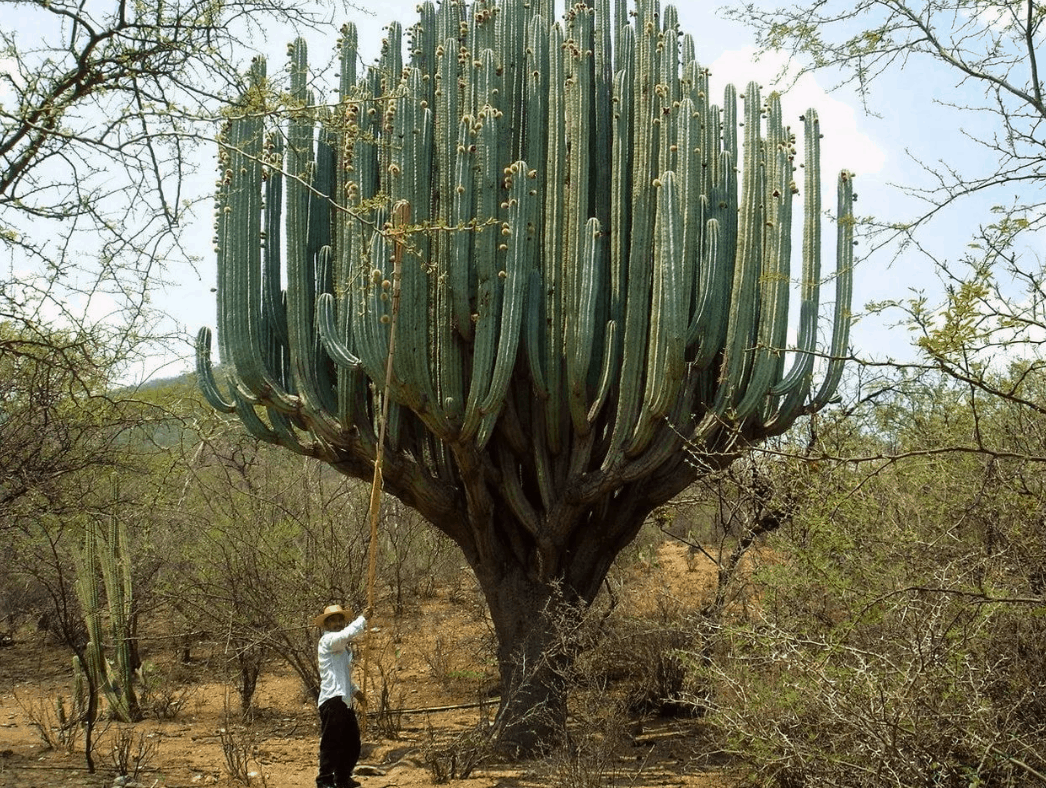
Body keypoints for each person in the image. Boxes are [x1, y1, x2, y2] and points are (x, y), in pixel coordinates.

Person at [313, 604, 368, 788]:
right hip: (332, 700)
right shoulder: (328, 641)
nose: (337, 623)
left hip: (344, 700)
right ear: (326, 625)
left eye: (339, 620)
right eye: (333, 620)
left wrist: (355, 691)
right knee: (332, 741)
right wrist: (363, 619)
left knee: (352, 741)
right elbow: (344, 636)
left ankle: (342, 777)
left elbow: (342, 675)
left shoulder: (342, 649)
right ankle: (324, 780)